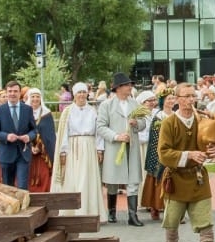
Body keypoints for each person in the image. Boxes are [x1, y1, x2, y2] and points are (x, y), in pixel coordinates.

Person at [158, 83, 215, 242]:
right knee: (171, 223)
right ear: (177, 99)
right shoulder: (169, 123)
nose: (190, 100)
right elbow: (163, 153)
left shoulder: (201, 120)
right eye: (185, 96)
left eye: (192, 96)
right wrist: (189, 155)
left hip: (198, 179)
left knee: (206, 223)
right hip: (175, 179)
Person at [96, 72, 149, 225]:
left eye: (130, 85)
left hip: (131, 146)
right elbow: (100, 126)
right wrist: (116, 136)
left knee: (133, 179)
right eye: (127, 85)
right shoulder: (107, 105)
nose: (130, 87)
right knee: (112, 181)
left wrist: (136, 124)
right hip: (115, 146)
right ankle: (112, 212)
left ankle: (132, 215)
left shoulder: (134, 104)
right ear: (118, 88)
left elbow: (143, 122)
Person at [51, 82, 105, 218]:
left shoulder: (93, 110)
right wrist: (63, 151)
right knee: (74, 178)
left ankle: (90, 210)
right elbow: (64, 133)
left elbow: (98, 132)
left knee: (88, 178)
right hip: (73, 147)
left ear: (87, 94)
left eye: (83, 92)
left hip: (89, 145)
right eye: (79, 93)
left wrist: (99, 149)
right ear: (74, 95)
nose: (81, 95)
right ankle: (73, 210)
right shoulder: (68, 111)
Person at [0, 80, 38, 189]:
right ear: (6, 93)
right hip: (6, 154)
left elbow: (34, 130)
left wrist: (29, 136)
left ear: (20, 93)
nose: (12, 94)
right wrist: (6, 136)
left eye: (15, 91)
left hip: (23, 154)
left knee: (22, 187)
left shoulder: (27, 109)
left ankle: (23, 206)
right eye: (10, 91)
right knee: (8, 188)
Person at [140, 91, 172, 221]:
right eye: (169, 99)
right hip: (159, 152)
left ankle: (172, 209)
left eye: (173, 98)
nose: (171, 101)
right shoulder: (159, 117)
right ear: (163, 101)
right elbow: (154, 138)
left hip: (173, 152)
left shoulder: (175, 115)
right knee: (157, 177)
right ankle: (155, 207)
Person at [26, 88, 56, 193]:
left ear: (41, 98)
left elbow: (50, 135)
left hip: (43, 153)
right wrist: (31, 146)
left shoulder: (46, 114)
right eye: (33, 96)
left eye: (37, 96)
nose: (35, 99)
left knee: (44, 175)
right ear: (29, 98)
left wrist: (40, 147)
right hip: (27, 151)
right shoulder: (24, 112)